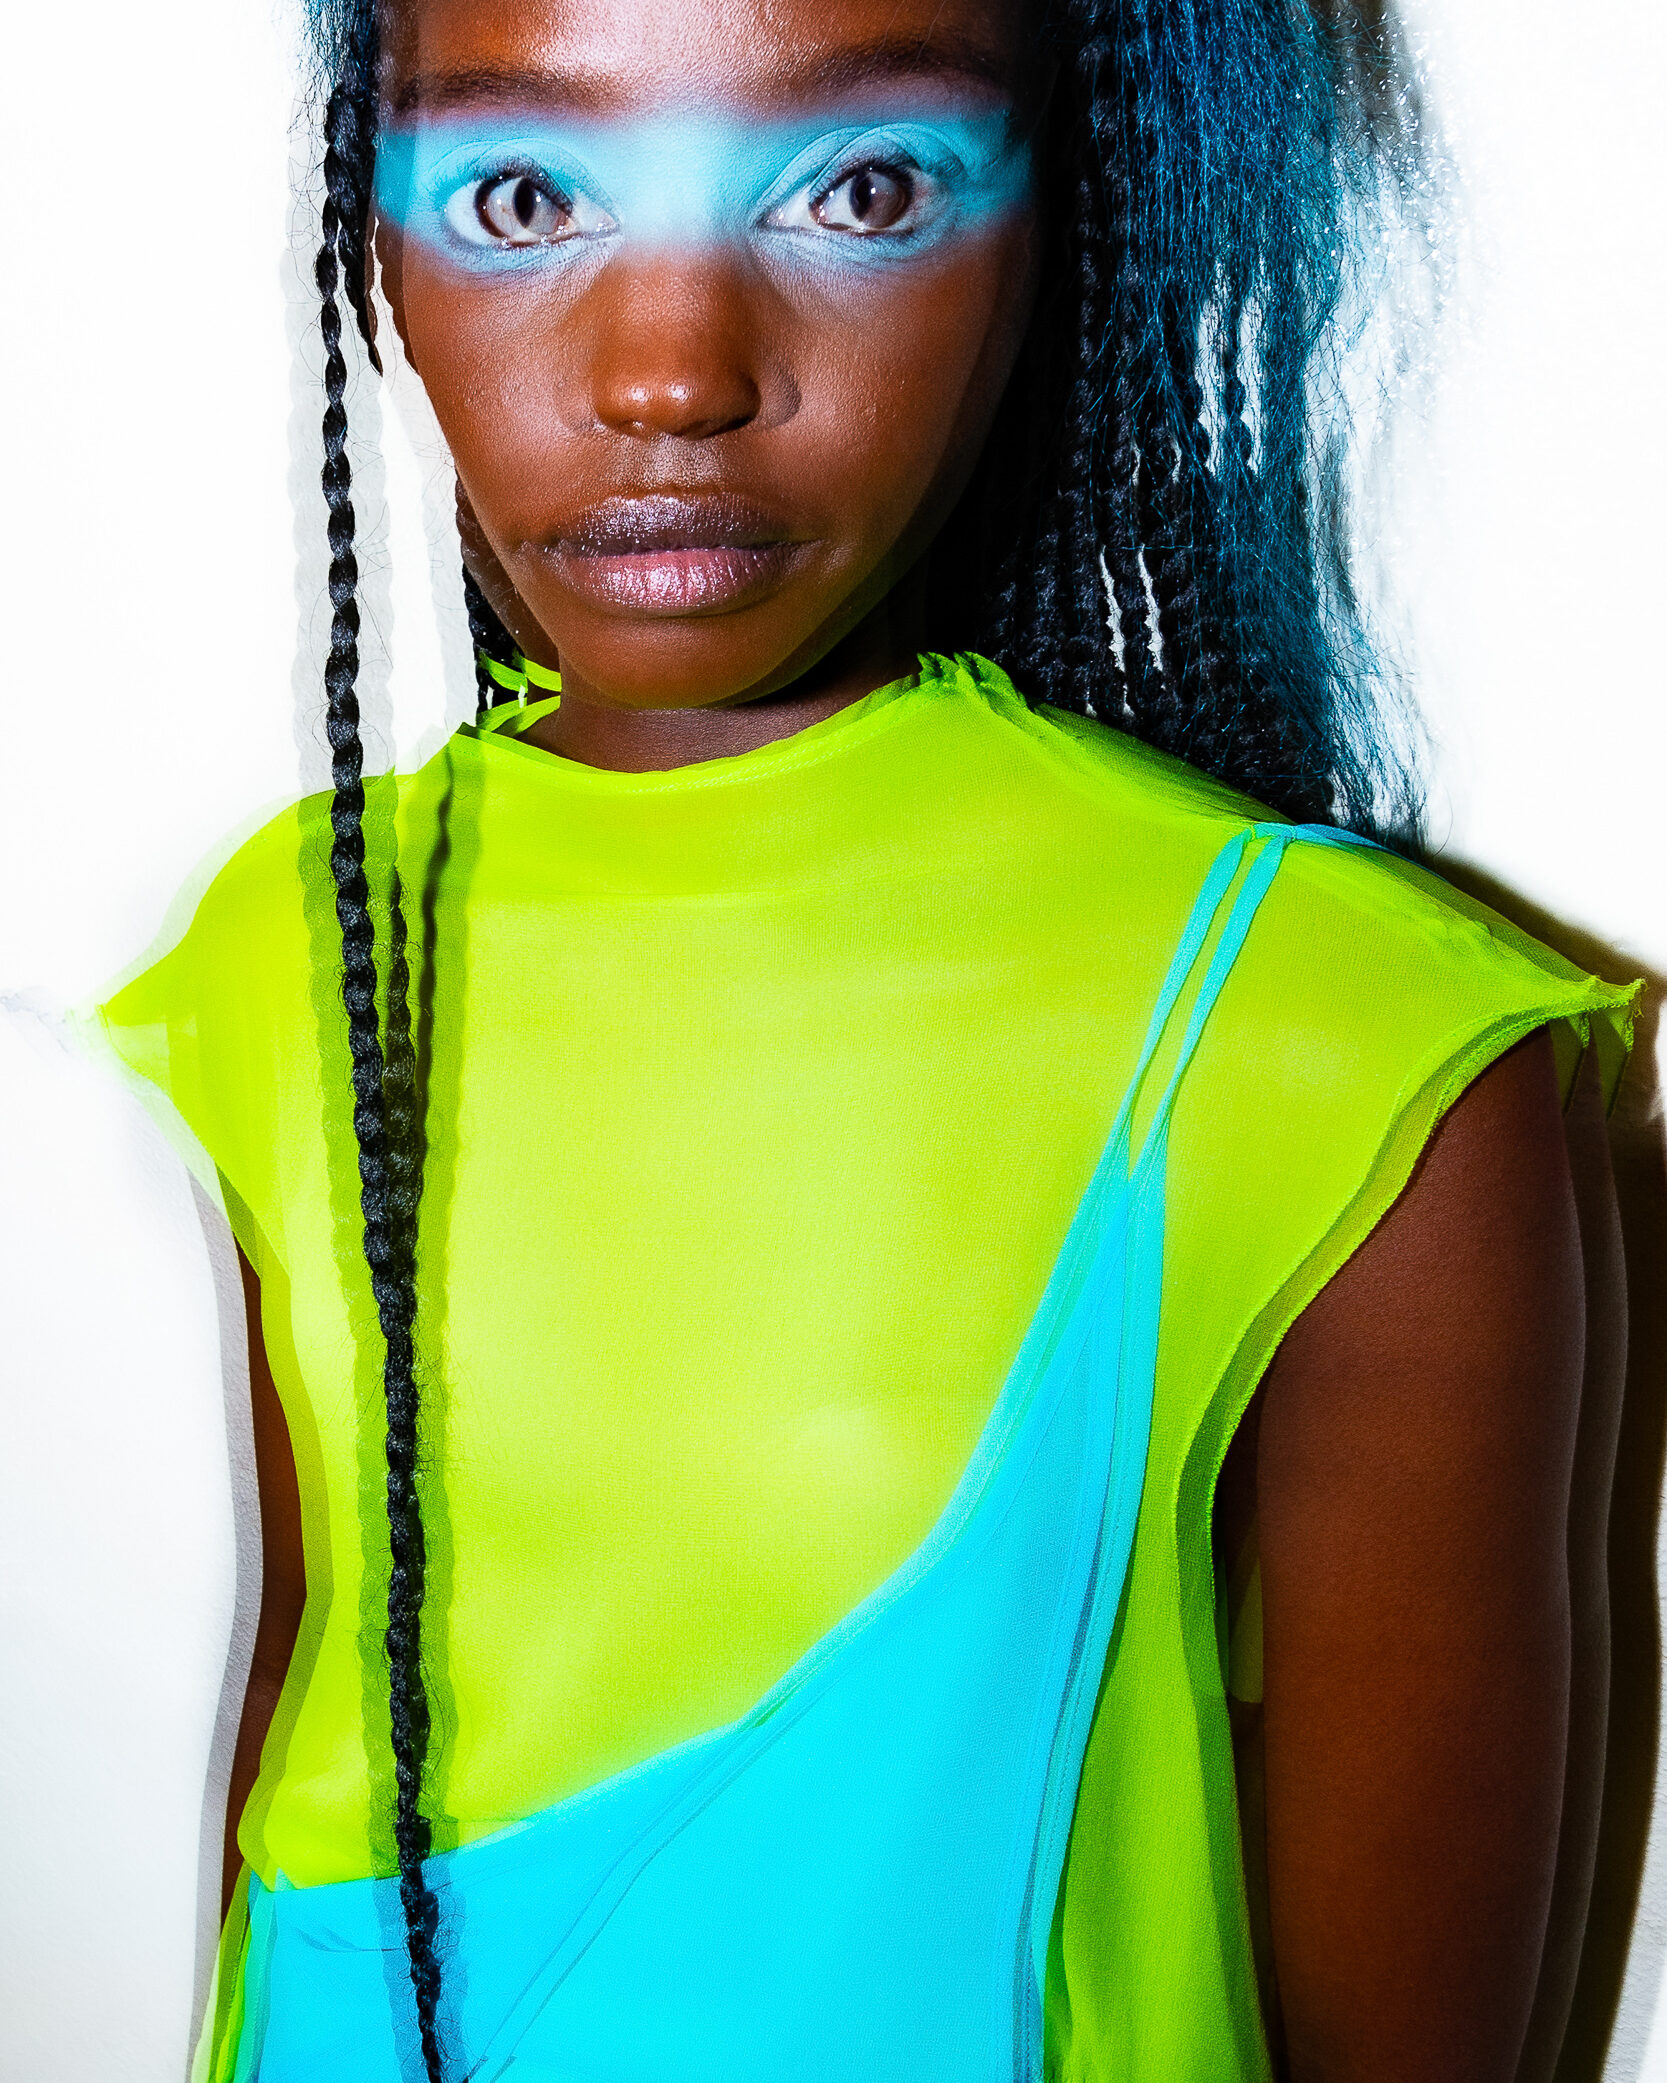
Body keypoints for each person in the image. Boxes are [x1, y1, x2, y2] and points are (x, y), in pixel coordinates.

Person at [95, 0, 1639, 2075]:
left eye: (862, 189)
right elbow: (303, 1754)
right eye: (524, 196)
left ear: (1057, 230)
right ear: (373, 242)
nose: (670, 374)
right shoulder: (295, 946)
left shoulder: (1334, 1036)